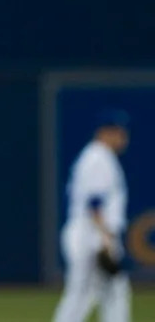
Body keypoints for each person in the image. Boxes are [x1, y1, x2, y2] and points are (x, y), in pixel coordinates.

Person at [52, 109, 131, 322]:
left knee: (107, 292)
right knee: (86, 294)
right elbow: (94, 203)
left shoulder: (95, 156)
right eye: (119, 132)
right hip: (90, 234)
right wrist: (105, 239)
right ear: (106, 133)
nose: (123, 138)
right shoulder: (98, 158)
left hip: (89, 232)